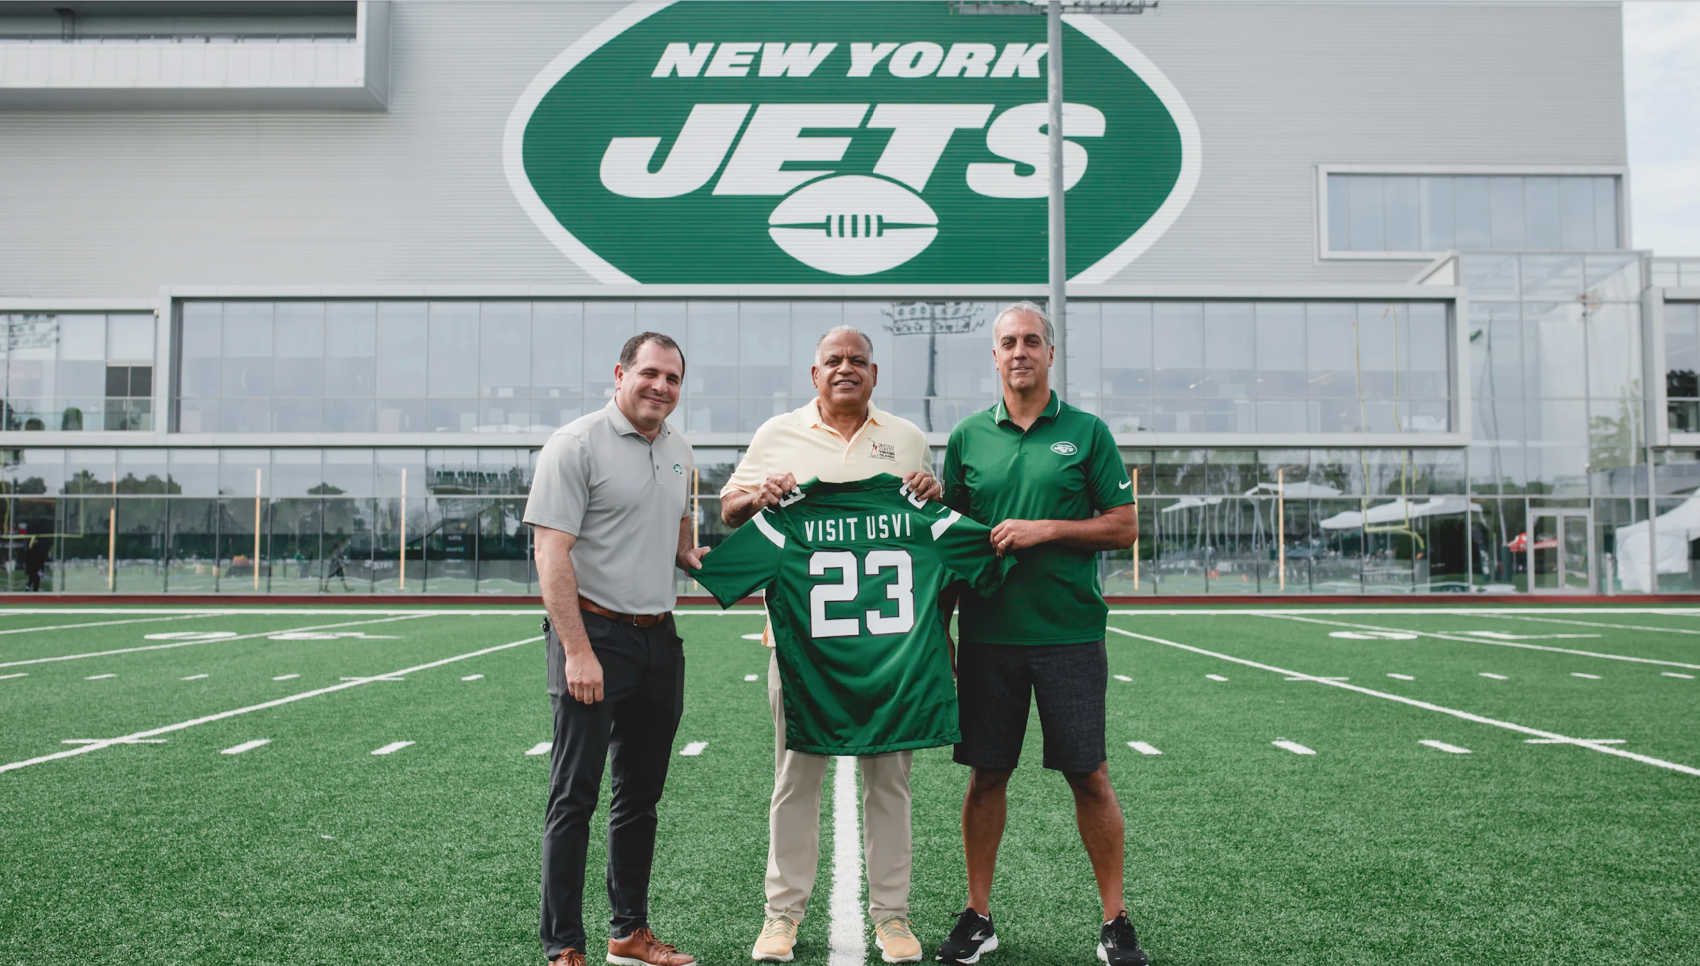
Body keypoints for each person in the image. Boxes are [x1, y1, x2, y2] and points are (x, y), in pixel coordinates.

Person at [719, 325, 943, 964]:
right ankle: (782, 915)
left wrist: (934, 492)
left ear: (874, 374)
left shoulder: (906, 439)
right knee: (796, 781)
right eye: (833, 360)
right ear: (814, 374)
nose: (846, 368)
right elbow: (730, 509)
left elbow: (927, 527)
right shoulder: (777, 433)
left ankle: (893, 916)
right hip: (801, 646)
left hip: (888, 649)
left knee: (889, 785)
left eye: (857, 360)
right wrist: (758, 496)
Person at [934, 302, 1148, 966]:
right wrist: (941, 632)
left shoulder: (1086, 432)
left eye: (1031, 340)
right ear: (995, 356)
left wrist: (1046, 529)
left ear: (1050, 354)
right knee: (986, 776)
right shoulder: (968, 437)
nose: (1020, 351)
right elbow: (951, 544)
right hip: (989, 636)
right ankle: (977, 916)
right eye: (1008, 342)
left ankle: (1115, 920)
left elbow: (1124, 525)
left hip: (1069, 634)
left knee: (1090, 776)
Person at [525, 331, 706, 966]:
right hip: (593, 635)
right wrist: (577, 651)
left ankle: (629, 932)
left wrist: (690, 554)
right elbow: (551, 553)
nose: (661, 386)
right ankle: (564, 945)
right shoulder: (574, 444)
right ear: (620, 374)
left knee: (640, 799)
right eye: (650, 373)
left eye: (673, 378)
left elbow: (678, 524)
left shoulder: (680, 447)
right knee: (574, 797)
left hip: (659, 639)